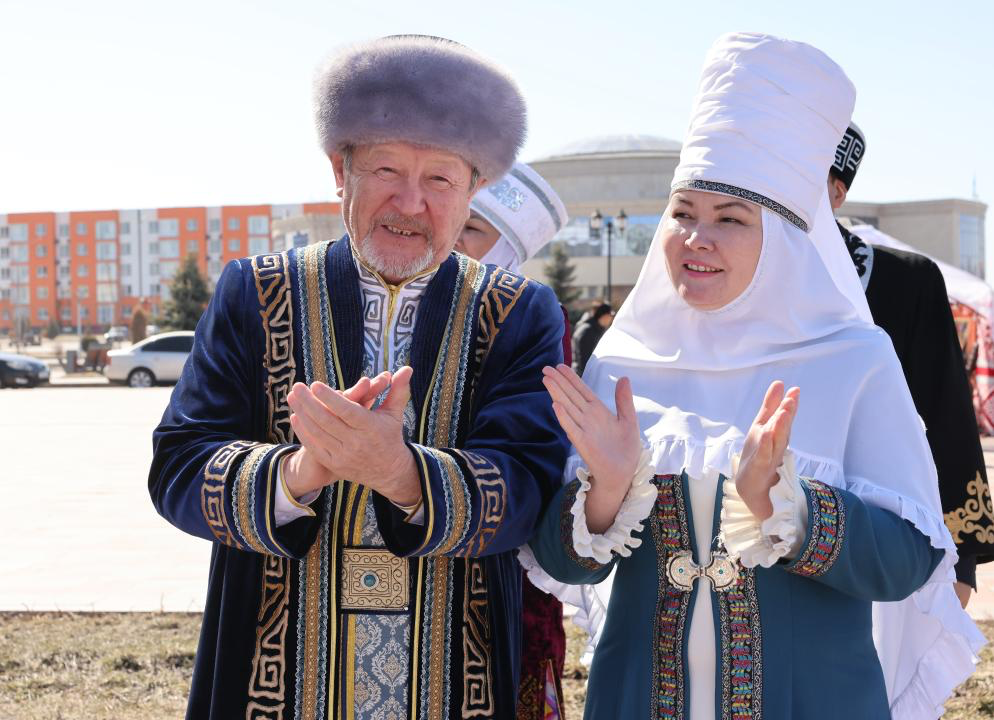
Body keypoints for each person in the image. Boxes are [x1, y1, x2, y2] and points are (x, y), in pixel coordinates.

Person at [529, 32, 983, 719]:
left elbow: (909, 560)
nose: (696, 238)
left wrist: (784, 506)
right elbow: (562, 565)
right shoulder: (623, 362)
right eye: (683, 214)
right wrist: (607, 492)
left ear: (785, 240)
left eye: (730, 219)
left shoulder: (852, 359)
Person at [149, 35, 569, 720]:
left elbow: (529, 485)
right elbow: (177, 467)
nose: (410, 201)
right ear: (339, 171)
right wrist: (298, 472)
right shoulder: (254, 291)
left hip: (454, 674)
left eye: (441, 179)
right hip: (271, 677)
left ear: (475, 189)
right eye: (386, 170)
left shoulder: (519, 311)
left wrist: (402, 474)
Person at [829, 123, 994, 607]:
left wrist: (961, 556)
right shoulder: (725, 277)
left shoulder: (903, 281)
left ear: (837, 192)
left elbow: (945, 415)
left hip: (882, 538)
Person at [455, 162, 572, 719]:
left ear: (507, 244)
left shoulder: (533, 315)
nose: (452, 235)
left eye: (472, 227)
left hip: (506, 546)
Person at [571, 303, 613, 375]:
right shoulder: (588, 331)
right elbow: (585, 359)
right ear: (605, 316)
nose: (611, 319)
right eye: (611, 316)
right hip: (583, 375)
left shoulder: (592, 328)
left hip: (582, 373)